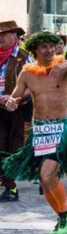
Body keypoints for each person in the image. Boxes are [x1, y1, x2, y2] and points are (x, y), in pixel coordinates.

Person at [2, 32, 67, 234]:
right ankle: (63, 215)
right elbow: (15, 98)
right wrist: (11, 103)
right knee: (45, 180)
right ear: (35, 49)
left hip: (62, 127)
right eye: (44, 47)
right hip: (40, 129)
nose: (49, 50)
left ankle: (65, 215)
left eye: (52, 46)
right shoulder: (27, 73)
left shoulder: (64, 66)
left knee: (47, 174)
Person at [0, 20, 33, 202]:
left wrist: (16, 98)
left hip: (17, 110)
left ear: (15, 36)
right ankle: (6, 184)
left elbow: (34, 84)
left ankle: (11, 188)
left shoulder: (24, 57)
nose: (1, 38)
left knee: (13, 147)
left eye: (5, 34)